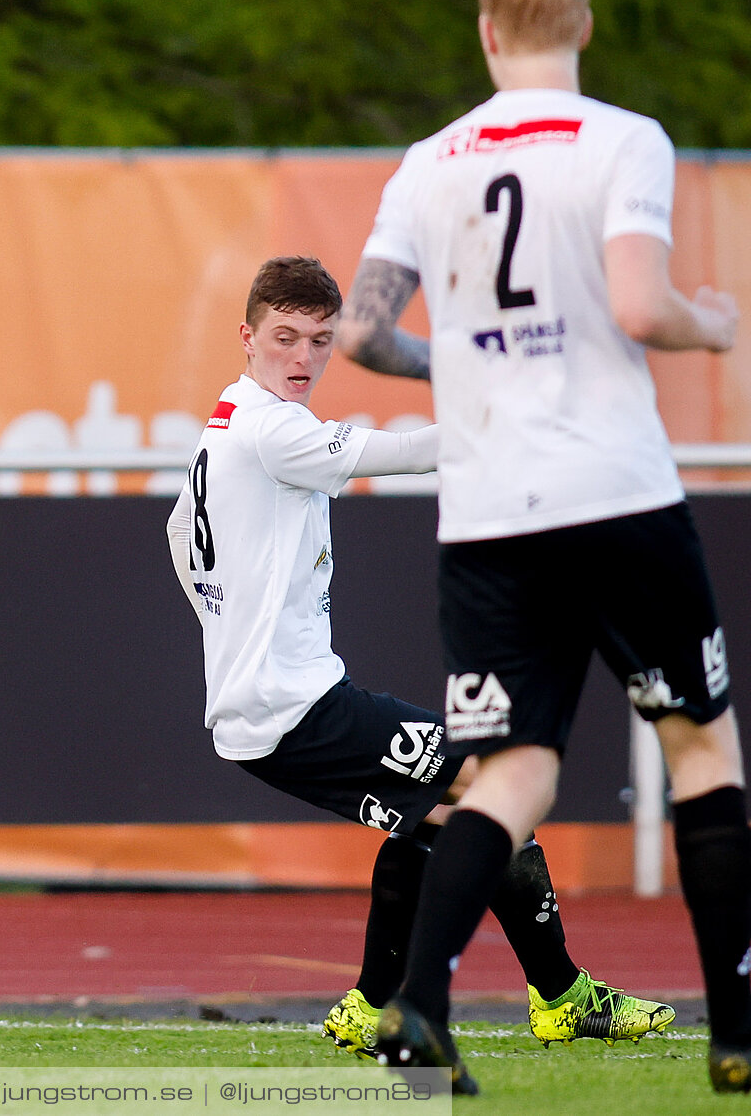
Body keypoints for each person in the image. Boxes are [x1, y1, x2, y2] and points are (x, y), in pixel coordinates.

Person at [337, 0, 746, 1095]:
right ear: (585, 25)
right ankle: (738, 1031)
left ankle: (418, 1008)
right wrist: (709, 322)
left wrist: (464, 365)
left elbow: (365, 333)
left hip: (489, 516)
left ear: (484, 31)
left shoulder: (430, 160)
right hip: (615, 493)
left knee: (510, 770)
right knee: (700, 751)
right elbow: (640, 303)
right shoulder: (623, 140)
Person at [167, 255, 672, 1075]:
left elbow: (179, 537)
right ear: (246, 337)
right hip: (292, 708)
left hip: (278, 703)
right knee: (490, 786)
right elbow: (402, 454)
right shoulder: (272, 427)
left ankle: (378, 1004)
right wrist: (510, 427)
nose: (302, 357)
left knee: (444, 810)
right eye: (284, 337)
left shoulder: (225, 422)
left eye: (320, 341)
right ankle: (560, 997)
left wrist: (233, 630)